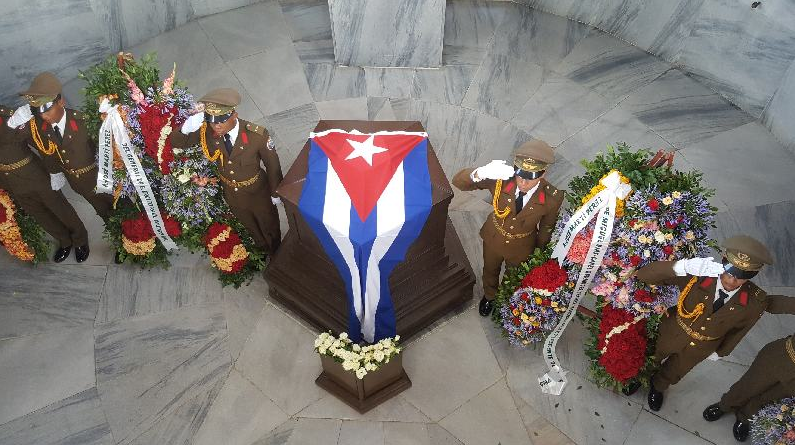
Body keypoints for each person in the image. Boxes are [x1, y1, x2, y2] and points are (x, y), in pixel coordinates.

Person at [633, 235, 795, 413]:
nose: (732, 281)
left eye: (741, 277)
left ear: (752, 275)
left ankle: (658, 386)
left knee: (675, 370)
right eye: (729, 271)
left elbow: (740, 330)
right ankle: (638, 376)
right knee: (652, 355)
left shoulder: (754, 301)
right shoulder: (699, 275)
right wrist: (681, 266)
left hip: (702, 346)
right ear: (723, 261)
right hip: (671, 331)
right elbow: (644, 276)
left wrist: (721, 351)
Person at [452, 140, 564, 317]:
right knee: (490, 269)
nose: (523, 182)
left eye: (530, 177)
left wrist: (539, 254)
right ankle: (489, 296)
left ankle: (505, 298)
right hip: (494, 237)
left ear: (543, 174)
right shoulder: (501, 180)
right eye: (520, 175)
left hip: (522, 245)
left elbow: (546, 228)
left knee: (513, 276)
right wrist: (479, 173)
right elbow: (459, 183)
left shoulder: (552, 198)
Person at [171, 88, 283, 254]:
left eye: (221, 121)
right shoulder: (208, 131)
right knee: (249, 225)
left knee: (269, 225)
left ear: (234, 116)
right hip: (232, 193)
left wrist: (275, 192)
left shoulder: (256, 135)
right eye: (212, 121)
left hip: (257, 192)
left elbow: (273, 165)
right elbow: (177, 142)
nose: (217, 126)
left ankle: (276, 253)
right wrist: (186, 128)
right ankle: (262, 248)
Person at [9, 73, 113, 239]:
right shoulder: (41, 128)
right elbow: (19, 141)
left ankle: (139, 242)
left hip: (101, 179)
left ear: (61, 101)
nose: (43, 116)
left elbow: (105, 149)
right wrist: (14, 123)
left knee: (122, 208)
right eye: (38, 112)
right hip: (79, 185)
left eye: (47, 109)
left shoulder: (83, 122)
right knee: (103, 213)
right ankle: (122, 239)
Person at [1, 105, 90, 262]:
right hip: (10, 182)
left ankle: (80, 239)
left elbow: (42, 145)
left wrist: (54, 171)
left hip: (35, 175)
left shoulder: (11, 117)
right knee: (40, 215)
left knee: (60, 208)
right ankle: (64, 240)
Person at [703, 333, 795, 442]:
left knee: (772, 397)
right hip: (784, 355)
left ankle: (745, 416)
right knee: (748, 386)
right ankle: (725, 405)